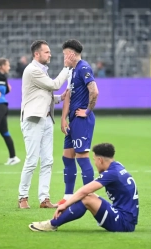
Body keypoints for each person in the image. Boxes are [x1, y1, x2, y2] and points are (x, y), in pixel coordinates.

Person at [28, 143, 139, 232]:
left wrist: (65, 205)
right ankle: (53, 223)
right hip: (125, 218)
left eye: (94, 160)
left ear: (100, 160)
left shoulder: (111, 173)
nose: (95, 163)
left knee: (87, 197)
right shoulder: (118, 166)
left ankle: (51, 224)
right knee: (89, 196)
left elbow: (85, 190)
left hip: (123, 223)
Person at [18, 40, 74, 209]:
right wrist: (67, 68)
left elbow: (43, 95)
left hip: (46, 118)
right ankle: (23, 197)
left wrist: (59, 98)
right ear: (37, 54)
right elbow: (54, 85)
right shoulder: (32, 70)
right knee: (32, 160)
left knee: (48, 160)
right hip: (33, 120)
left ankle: (44, 199)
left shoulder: (40, 70)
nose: (50, 55)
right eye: (47, 52)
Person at [56, 39, 99, 205]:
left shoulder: (84, 68)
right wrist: (63, 118)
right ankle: (68, 197)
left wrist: (87, 111)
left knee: (82, 156)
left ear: (71, 54)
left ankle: (88, 196)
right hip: (72, 121)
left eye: (65, 54)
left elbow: (94, 91)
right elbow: (68, 96)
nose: (63, 57)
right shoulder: (72, 71)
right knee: (67, 157)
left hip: (82, 120)